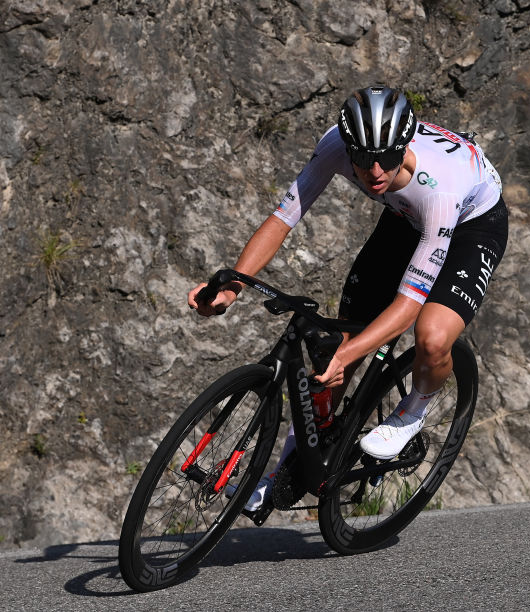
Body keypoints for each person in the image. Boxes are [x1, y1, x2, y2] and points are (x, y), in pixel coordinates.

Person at [188, 86, 509, 512]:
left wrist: (350, 352)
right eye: (363, 159)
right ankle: (287, 470)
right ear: (349, 147)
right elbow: (284, 219)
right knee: (337, 353)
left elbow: (408, 306)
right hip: (403, 217)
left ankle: (414, 409)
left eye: (387, 158)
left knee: (431, 337)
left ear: (406, 145)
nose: (374, 171)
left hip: (472, 225)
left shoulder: (440, 189)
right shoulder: (336, 146)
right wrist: (234, 285)